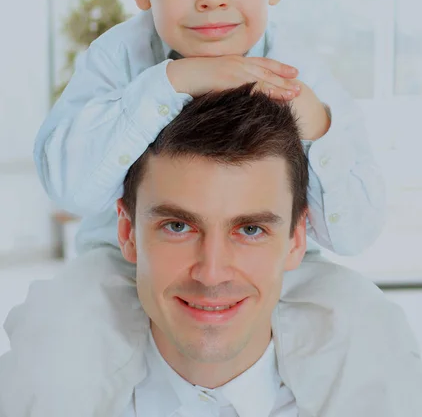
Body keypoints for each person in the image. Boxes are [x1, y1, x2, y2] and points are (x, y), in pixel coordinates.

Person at [0, 0, 398, 414]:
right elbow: (66, 182)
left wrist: (316, 123)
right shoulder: (119, 58)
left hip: (284, 267)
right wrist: (171, 83)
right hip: (122, 265)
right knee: (55, 338)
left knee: (366, 326)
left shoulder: (300, 71)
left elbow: (356, 232)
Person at [1, 87, 421, 416]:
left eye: (251, 229)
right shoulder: (38, 388)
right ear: (126, 230)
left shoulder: (382, 387)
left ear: (296, 239)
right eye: (178, 226)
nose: (212, 272)